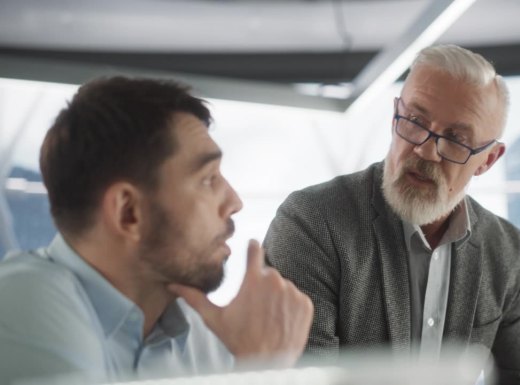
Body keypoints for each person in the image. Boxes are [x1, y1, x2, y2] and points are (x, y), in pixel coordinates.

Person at [264, 45, 520, 384]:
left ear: (488, 160)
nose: (424, 150)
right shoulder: (312, 223)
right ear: (394, 117)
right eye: (415, 122)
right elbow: (305, 379)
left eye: (456, 139)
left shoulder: (506, 251)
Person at [0, 77, 313, 385]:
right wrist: (263, 370)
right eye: (208, 178)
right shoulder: (22, 300)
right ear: (128, 212)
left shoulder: (202, 335)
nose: (234, 202)